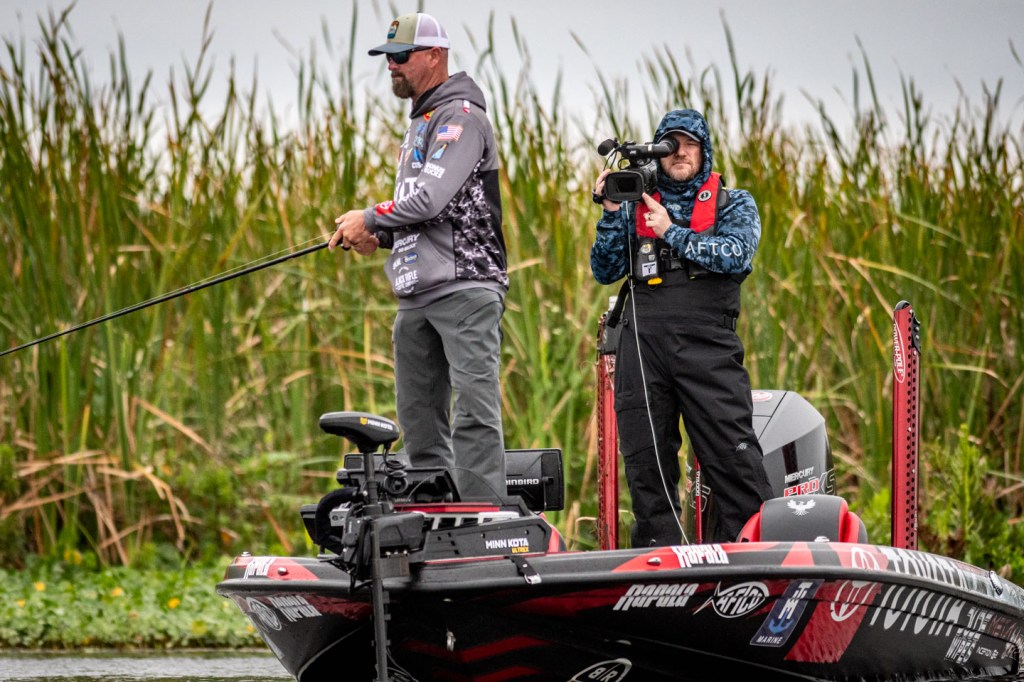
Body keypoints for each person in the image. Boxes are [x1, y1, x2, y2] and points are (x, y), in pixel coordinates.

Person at [328, 13, 507, 502]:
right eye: (388, 57)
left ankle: (483, 516)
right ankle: (433, 514)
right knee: (418, 418)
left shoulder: (460, 116)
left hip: (465, 286)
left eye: (401, 56)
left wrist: (370, 216)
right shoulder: (422, 122)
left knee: (473, 412)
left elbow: (430, 199)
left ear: (434, 55)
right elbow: (434, 214)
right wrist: (380, 237)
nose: (392, 65)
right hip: (416, 294)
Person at [590, 108, 774, 546]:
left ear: (704, 151)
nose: (681, 153)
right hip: (643, 345)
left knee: (732, 455)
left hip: (707, 346)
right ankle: (660, 558)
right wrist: (613, 211)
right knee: (646, 462)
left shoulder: (734, 202)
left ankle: (758, 553)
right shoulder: (635, 203)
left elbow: (735, 254)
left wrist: (671, 232)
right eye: (670, 145)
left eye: (690, 145)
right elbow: (605, 269)